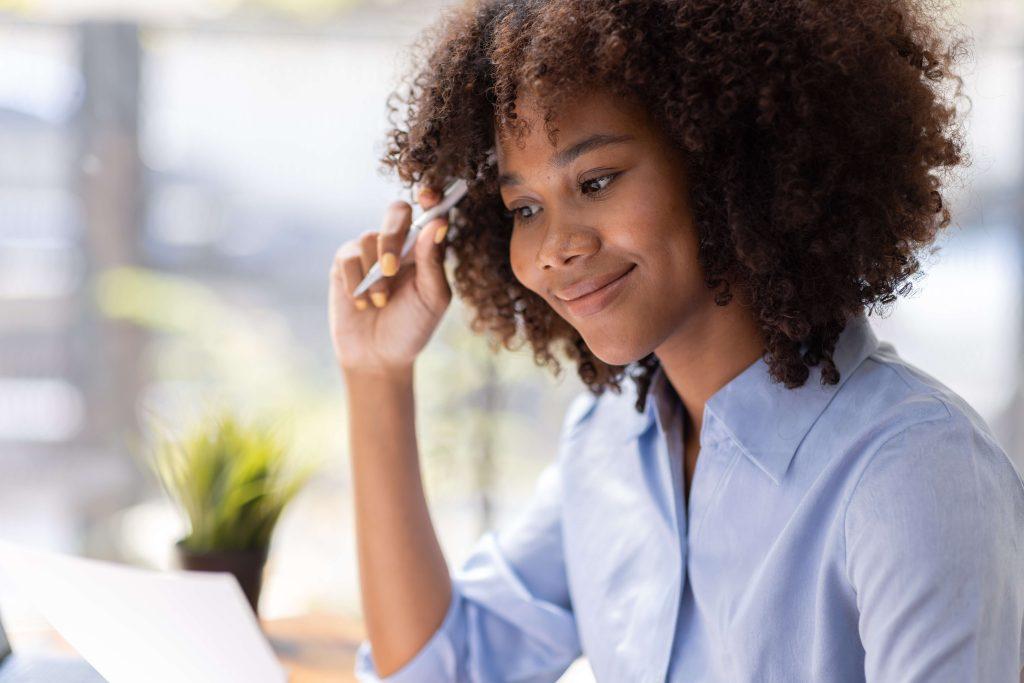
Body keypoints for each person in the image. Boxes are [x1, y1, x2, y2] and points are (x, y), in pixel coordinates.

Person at [327, 0, 1024, 680]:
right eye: (526, 208)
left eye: (596, 181)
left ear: (726, 162)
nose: (554, 247)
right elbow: (445, 667)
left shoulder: (913, 472)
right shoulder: (609, 444)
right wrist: (376, 373)